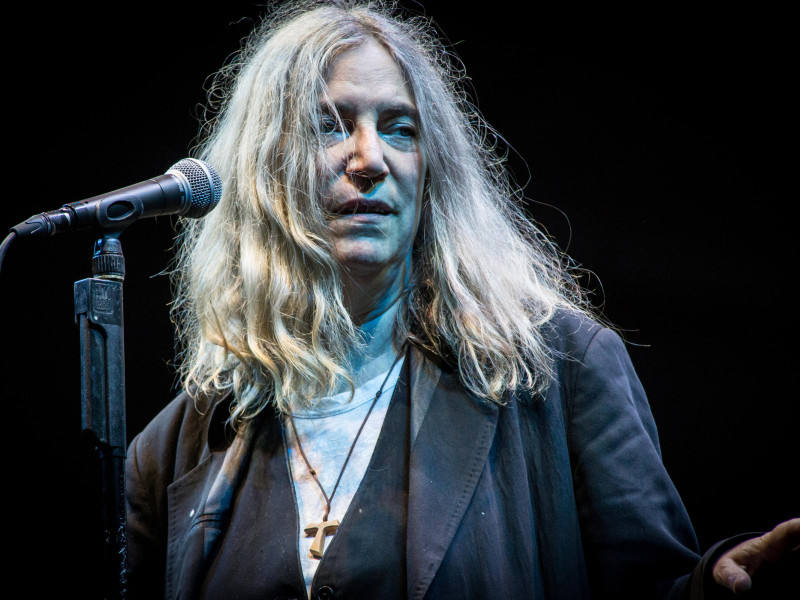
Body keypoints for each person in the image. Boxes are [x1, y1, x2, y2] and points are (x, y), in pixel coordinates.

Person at [124, 1, 799, 598]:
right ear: (264, 168)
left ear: (433, 172)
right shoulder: (182, 444)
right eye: (330, 126)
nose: (369, 158)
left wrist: (711, 587)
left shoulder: (560, 371)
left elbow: (653, 586)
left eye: (399, 128)